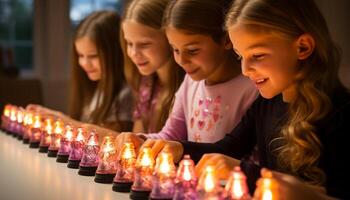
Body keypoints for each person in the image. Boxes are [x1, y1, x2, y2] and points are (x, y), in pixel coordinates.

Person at [139, 0, 350, 198]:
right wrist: (178, 148)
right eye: (240, 56)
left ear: (302, 47)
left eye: (257, 55)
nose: (245, 70)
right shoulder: (267, 103)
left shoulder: (341, 113)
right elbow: (228, 149)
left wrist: (249, 173)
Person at [115, 0, 257, 151]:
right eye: (175, 50)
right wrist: (140, 140)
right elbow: (171, 135)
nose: (181, 61)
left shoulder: (252, 88)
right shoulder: (191, 82)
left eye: (192, 50)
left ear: (226, 39)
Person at [27, 11, 133, 131]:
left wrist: (64, 121)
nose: (84, 64)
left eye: (93, 56)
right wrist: (55, 118)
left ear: (116, 52)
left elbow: (109, 139)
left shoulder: (126, 94)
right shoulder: (97, 87)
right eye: (80, 55)